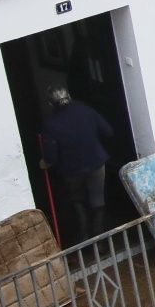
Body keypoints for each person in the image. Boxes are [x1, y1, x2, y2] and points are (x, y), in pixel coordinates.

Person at [39, 87, 113, 246]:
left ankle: (84, 237)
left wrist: (44, 163)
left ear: (51, 104)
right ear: (70, 97)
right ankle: (100, 242)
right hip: (95, 163)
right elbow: (108, 131)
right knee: (97, 201)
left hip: (71, 170)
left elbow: (50, 156)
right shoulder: (86, 111)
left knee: (77, 200)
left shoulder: (50, 123)